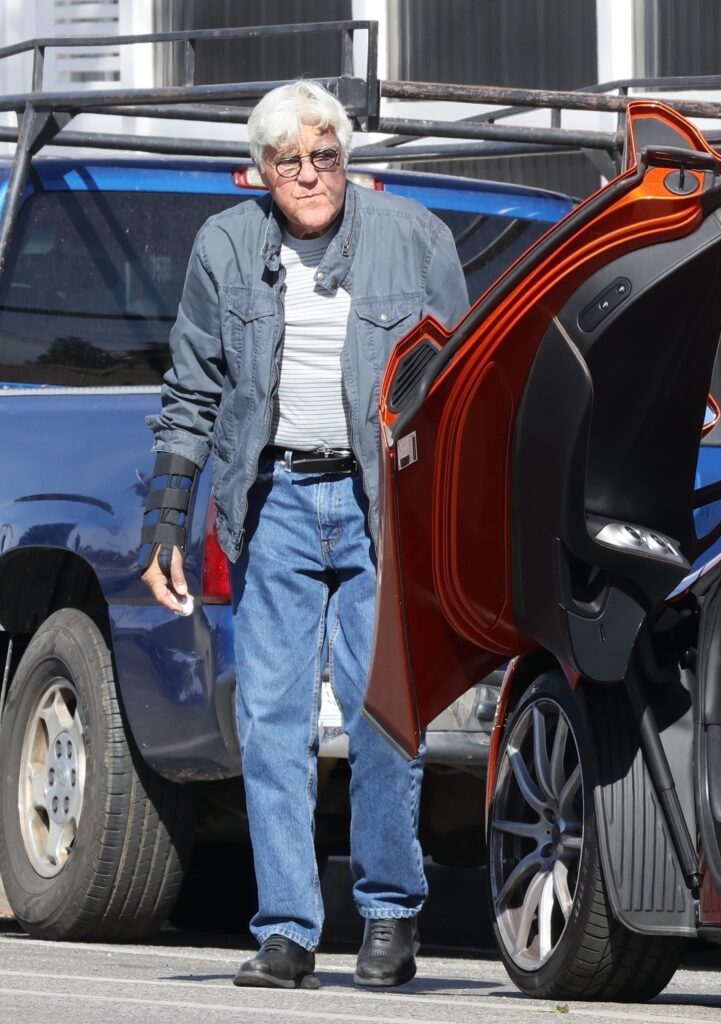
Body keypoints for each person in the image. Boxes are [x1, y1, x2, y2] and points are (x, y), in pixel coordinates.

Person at [140, 80, 468, 989]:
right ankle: (286, 930)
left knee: (382, 718)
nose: (311, 176)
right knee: (272, 722)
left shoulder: (415, 239)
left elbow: (459, 386)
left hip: (379, 508)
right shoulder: (227, 247)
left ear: (346, 160)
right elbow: (192, 394)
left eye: (326, 157)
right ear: (262, 171)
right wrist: (169, 517)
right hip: (276, 497)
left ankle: (390, 916)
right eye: (291, 162)